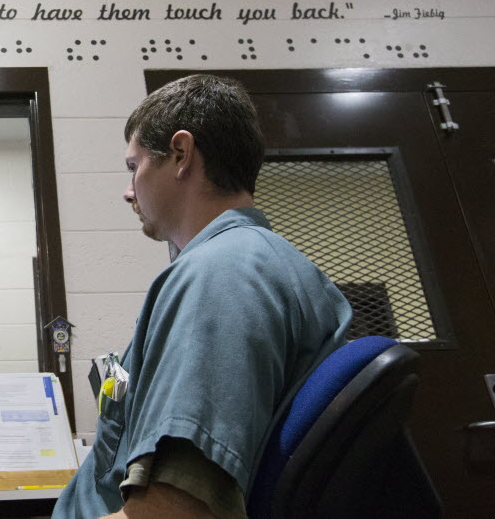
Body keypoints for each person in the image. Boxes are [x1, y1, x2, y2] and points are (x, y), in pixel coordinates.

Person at [53, 75, 353, 519]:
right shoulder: (254, 262)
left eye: (134, 166)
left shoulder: (219, 276)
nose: (128, 189)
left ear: (180, 154)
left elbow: (172, 513)